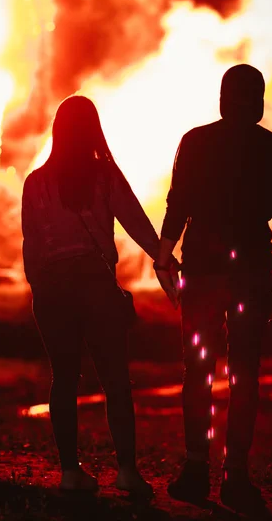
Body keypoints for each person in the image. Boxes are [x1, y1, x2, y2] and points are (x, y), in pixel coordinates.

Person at [154, 64, 272, 513]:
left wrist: (163, 257)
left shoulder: (194, 142)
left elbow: (177, 205)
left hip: (201, 275)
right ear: (257, 101)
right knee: (244, 375)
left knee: (197, 372)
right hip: (252, 275)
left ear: (221, 97)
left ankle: (196, 469)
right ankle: (235, 474)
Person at [22, 95, 172, 497]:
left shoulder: (35, 182)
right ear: (93, 130)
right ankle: (126, 471)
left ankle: (70, 473)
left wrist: (41, 291)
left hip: (52, 291)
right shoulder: (104, 175)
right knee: (116, 382)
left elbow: (31, 247)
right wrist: (163, 258)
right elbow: (135, 219)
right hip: (94, 286)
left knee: (64, 380)